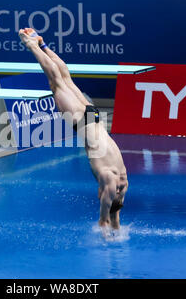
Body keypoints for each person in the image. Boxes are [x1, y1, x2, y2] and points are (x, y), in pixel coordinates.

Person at [18, 28, 128, 231]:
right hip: (82, 122)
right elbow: (105, 219)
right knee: (57, 83)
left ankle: (43, 44)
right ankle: (32, 45)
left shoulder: (123, 181)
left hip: (94, 118)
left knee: (66, 79)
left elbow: (115, 214)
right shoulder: (111, 182)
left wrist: (116, 226)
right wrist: (106, 233)